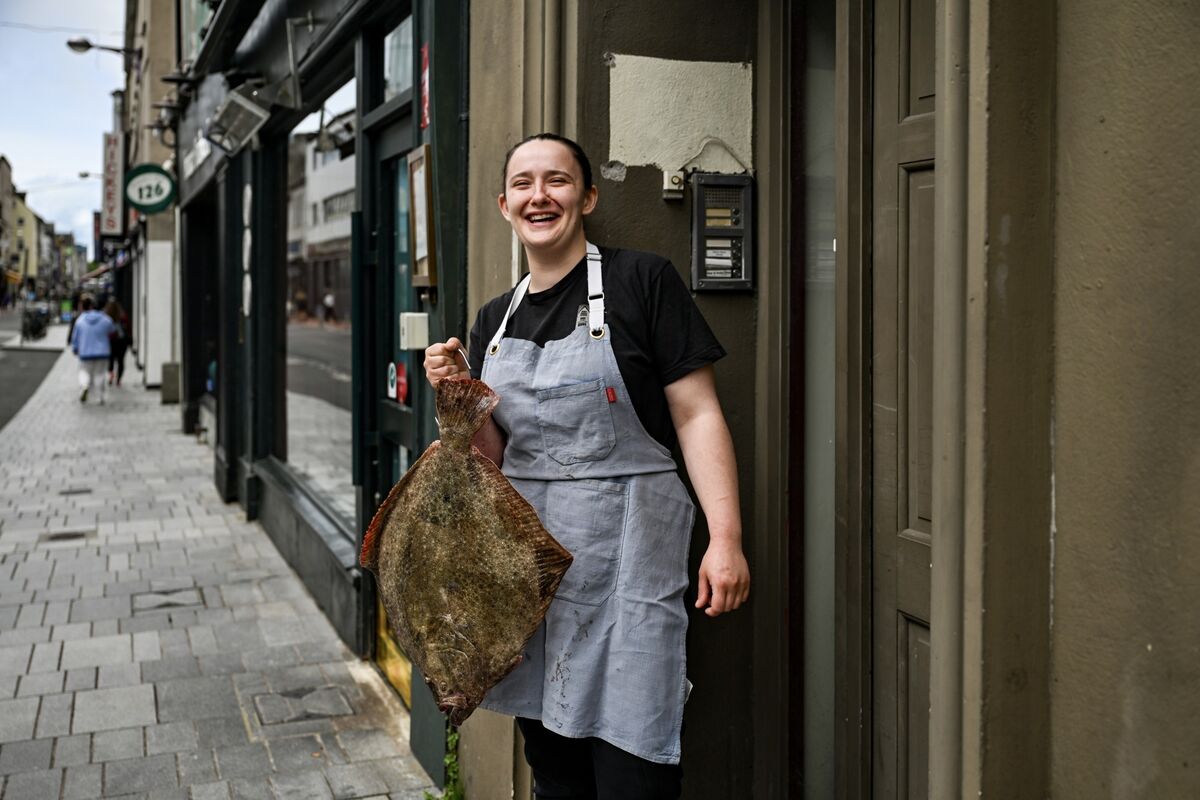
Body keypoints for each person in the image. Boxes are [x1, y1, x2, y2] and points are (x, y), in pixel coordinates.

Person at [423, 133, 750, 799]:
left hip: (628, 567)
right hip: (531, 576)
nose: (539, 196)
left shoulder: (640, 281)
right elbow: (493, 463)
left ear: (587, 197)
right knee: (555, 767)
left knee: (635, 768)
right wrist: (459, 397)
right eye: (523, 184)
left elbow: (697, 415)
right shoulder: (494, 319)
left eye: (557, 181)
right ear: (504, 205)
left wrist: (726, 538)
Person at [70, 294, 116, 404]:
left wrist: (75, 348)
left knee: (84, 372)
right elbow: (113, 330)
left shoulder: (80, 320)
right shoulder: (105, 319)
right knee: (99, 374)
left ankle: (84, 386)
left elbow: (75, 337)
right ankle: (100, 397)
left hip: (85, 352)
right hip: (102, 352)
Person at [104, 298, 130, 386]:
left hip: (110, 341)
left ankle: (111, 375)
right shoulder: (123, 316)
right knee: (121, 361)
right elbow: (128, 328)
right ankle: (118, 380)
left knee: (110, 360)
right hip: (121, 341)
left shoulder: (106, 316)